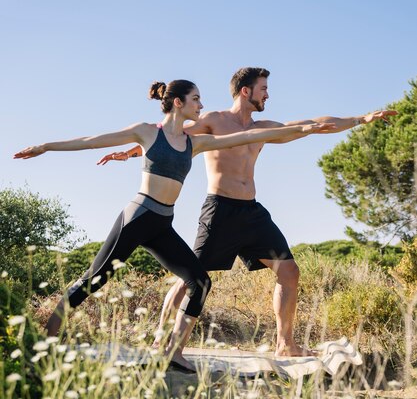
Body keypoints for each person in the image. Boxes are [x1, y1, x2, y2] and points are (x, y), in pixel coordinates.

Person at [14, 78, 335, 371]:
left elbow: (250, 134)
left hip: (162, 225)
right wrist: (46, 147)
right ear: (178, 102)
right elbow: (90, 140)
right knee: (95, 281)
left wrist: (302, 130)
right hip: (137, 218)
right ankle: (46, 339)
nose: (201, 105)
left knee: (199, 282)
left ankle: (174, 352)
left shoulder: (195, 143)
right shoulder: (147, 131)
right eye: (196, 99)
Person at [99, 68, 397, 357]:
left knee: (289, 271)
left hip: (252, 212)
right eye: (263, 89)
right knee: (190, 277)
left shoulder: (261, 129)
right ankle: (160, 340)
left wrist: (362, 119)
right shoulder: (214, 120)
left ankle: (285, 344)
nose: (268, 95)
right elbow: (173, 135)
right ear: (246, 91)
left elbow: (316, 123)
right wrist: (131, 152)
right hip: (220, 210)